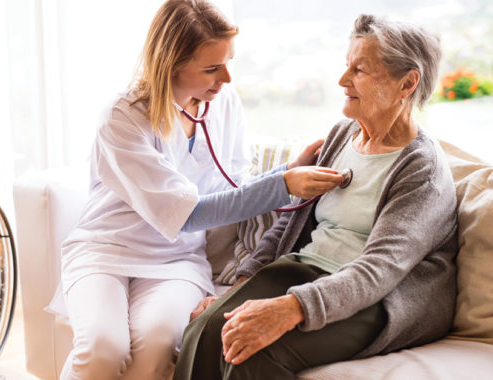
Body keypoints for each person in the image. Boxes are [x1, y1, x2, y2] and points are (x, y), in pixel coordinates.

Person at [57, 1, 344, 379]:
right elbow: (189, 213)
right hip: (105, 250)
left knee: (158, 348)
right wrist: (283, 185)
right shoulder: (123, 117)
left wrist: (287, 171)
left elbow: (234, 187)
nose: (226, 78)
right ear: (171, 65)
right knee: (102, 349)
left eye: (228, 63)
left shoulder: (224, 104)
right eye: (211, 68)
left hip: (175, 260)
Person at [173, 14, 458, 380]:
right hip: (304, 270)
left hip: (378, 299)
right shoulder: (342, 135)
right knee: (204, 329)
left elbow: (380, 269)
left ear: (407, 83)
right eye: (346, 66)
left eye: (359, 69)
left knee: (246, 353)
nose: (342, 80)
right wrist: (237, 291)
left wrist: (290, 308)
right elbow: (289, 223)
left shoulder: (422, 169)